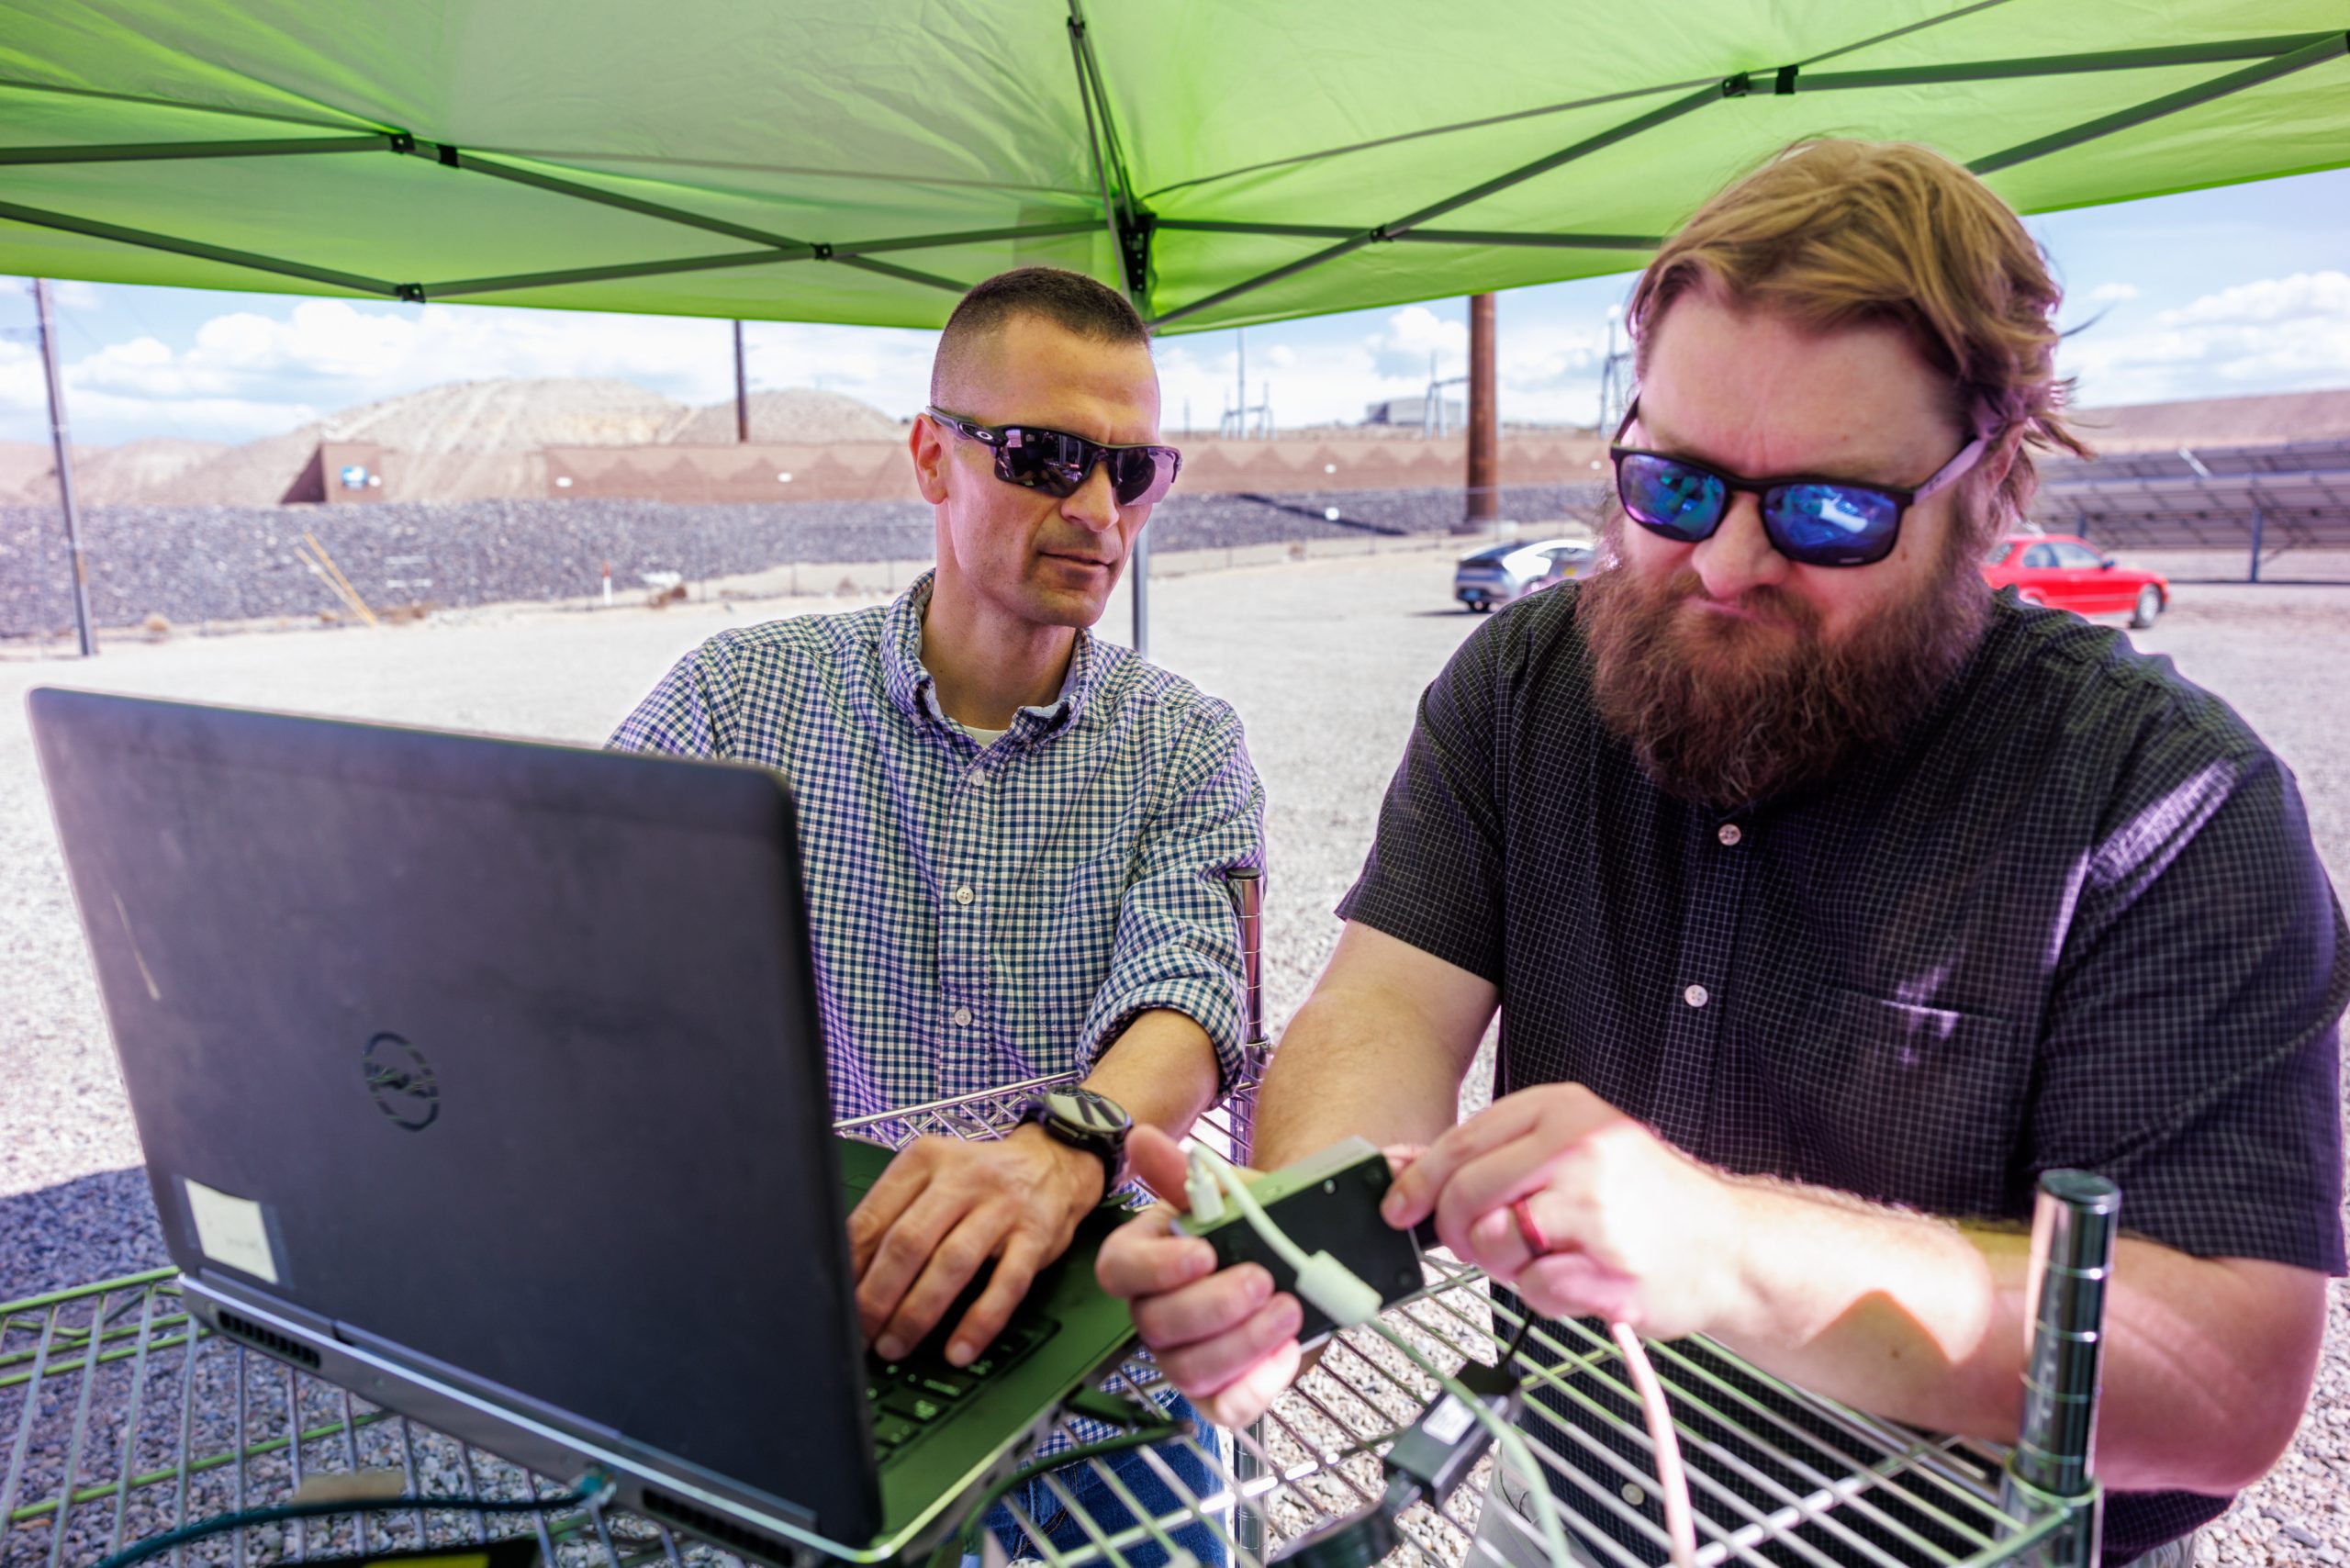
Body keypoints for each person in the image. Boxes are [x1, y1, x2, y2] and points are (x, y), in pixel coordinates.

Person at [1099, 140, 2345, 1568]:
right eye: (1675, 486)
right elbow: (1386, 1006)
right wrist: (1298, 1258)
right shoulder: (1526, 684)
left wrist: (1727, 1250)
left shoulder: (2161, 800)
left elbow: (2227, 1378)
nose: (1725, 565)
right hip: (1572, 1497)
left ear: (1992, 480)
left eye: (1830, 512)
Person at [613, 265, 1262, 1563]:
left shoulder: (1184, 744)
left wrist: (1063, 1148)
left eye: (1133, 471)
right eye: (1045, 457)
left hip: (1104, 1377)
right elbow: (585, 952)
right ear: (931, 457)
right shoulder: (740, 704)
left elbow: (1191, 995)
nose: (1098, 511)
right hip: (841, 1328)